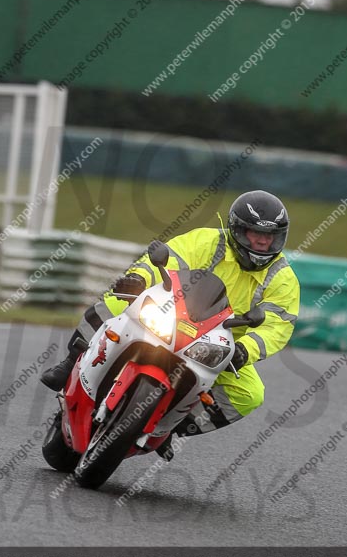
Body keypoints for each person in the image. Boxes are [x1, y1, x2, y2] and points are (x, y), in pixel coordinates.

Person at [41, 190, 300, 455]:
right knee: (117, 300)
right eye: (254, 234)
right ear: (236, 229)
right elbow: (168, 259)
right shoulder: (206, 241)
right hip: (173, 314)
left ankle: (172, 427)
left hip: (222, 345)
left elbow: (278, 326)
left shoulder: (282, 278)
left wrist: (245, 350)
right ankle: (71, 360)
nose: (261, 243)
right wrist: (139, 278)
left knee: (251, 394)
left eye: (269, 237)